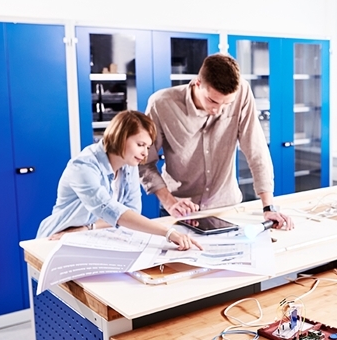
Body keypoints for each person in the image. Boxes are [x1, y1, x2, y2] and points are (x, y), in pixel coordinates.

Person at [140, 53, 294, 229]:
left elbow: (256, 149)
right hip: (179, 210)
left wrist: (268, 206)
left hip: (226, 209)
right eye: (213, 101)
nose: (219, 110)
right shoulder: (161, 104)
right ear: (198, 83)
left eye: (227, 104)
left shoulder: (242, 91)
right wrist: (169, 202)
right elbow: (144, 161)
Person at [37, 110, 199, 250]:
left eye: (148, 147)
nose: (145, 153)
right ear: (121, 137)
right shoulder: (83, 166)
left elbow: (132, 212)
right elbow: (111, 210)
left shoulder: (128, 164)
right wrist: (168, 232)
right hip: (56, 238)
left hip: (90, 236)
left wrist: (88, 228)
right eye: (140, 144)